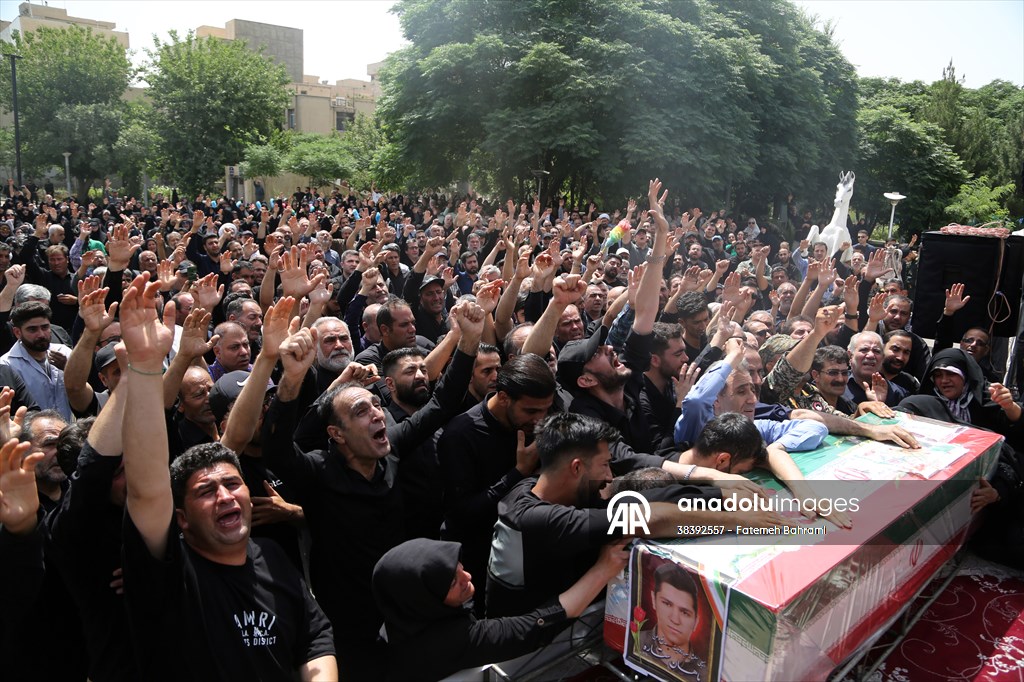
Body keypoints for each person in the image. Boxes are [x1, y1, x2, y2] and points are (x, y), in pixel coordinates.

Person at [117, 273, 337, 681]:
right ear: (181, 519)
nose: (225, 496)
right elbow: (146, 490)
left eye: (233, 484)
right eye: (206, 490)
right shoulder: (172, 574)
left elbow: (315, 640)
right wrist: (146, 367)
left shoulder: (272, 558)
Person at [262, 299, 484, 679]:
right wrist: (291, 381)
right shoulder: (318, 472)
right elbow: (279, 450)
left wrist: (470, 340)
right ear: (337, 434)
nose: (377, 414)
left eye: (376, 406)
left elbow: (442, 403)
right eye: (360, 412)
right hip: (349, 620)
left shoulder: (391, 449)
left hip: (401, 607)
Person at [372, 537, 629, 682]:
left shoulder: (401, 619)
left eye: (459, 566)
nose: (467, 577)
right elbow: (531, 628)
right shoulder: (444, 643)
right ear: (423, 599)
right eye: (451, 582)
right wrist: (602, 570)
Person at [636, 562, 708, 682]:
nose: (675, 619)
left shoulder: (704, 675)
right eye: (667, 604)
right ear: (654, 600)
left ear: (696, 621)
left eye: (684, 612)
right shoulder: (636, 642)